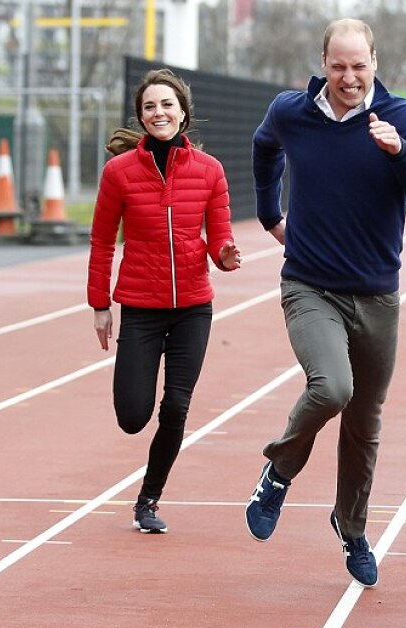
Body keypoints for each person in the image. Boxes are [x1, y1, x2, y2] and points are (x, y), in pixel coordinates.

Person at [246, 18, 406, 588]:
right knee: (332, 387)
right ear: (324, 64)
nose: (349, 77)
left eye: (359, 66)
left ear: (375, 63)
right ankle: (278, 472)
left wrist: (400, 151)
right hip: (310, 284)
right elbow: (265, 149)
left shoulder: (403, 118)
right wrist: (268, 213)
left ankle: (351, 527)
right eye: (339, 66)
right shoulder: (294, 111)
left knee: (365, 420)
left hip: (377, 295)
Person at [87, 69, 241, 534]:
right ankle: (141, 449)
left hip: (194, 306)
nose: (159, 113)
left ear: (183, 113)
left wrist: (226, 255)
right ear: (141, 116)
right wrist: (100, 304)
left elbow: (219, 235)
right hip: (140, 305)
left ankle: (148, 498)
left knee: (175, 406)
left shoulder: (209, 170)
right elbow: (100, 242)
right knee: (134, 416)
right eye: (150, 106)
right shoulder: (119, 173)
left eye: (167, 105)